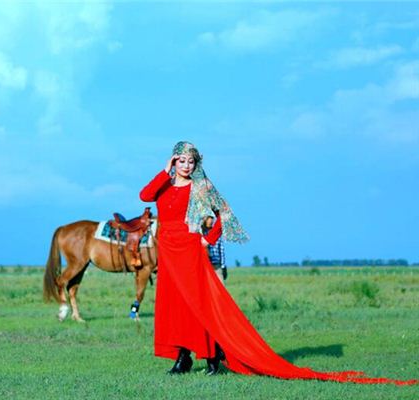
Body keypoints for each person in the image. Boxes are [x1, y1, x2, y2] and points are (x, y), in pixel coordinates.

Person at [139, 141, 416, 385]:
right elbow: (145, 196)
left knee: (198, 304)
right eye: (181, 160)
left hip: (190, 251)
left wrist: (207, 239)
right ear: (174, 161)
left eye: (191, 161)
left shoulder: (202, 187)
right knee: (175, 305)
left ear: (196, 163)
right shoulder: (165, 184)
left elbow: (225, 214)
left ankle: (213, 353)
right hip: (169, 251)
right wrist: (165, 170)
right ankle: (183, 356)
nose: (186, 166)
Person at [202, 216, 227, 283]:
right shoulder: (202, 234)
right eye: (208, 219)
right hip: (206, 265)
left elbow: (221, 250)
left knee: (220, 284)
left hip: (217, 264)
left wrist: (223, 266)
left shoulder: (217, 233)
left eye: (211, 219)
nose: (210, 221)